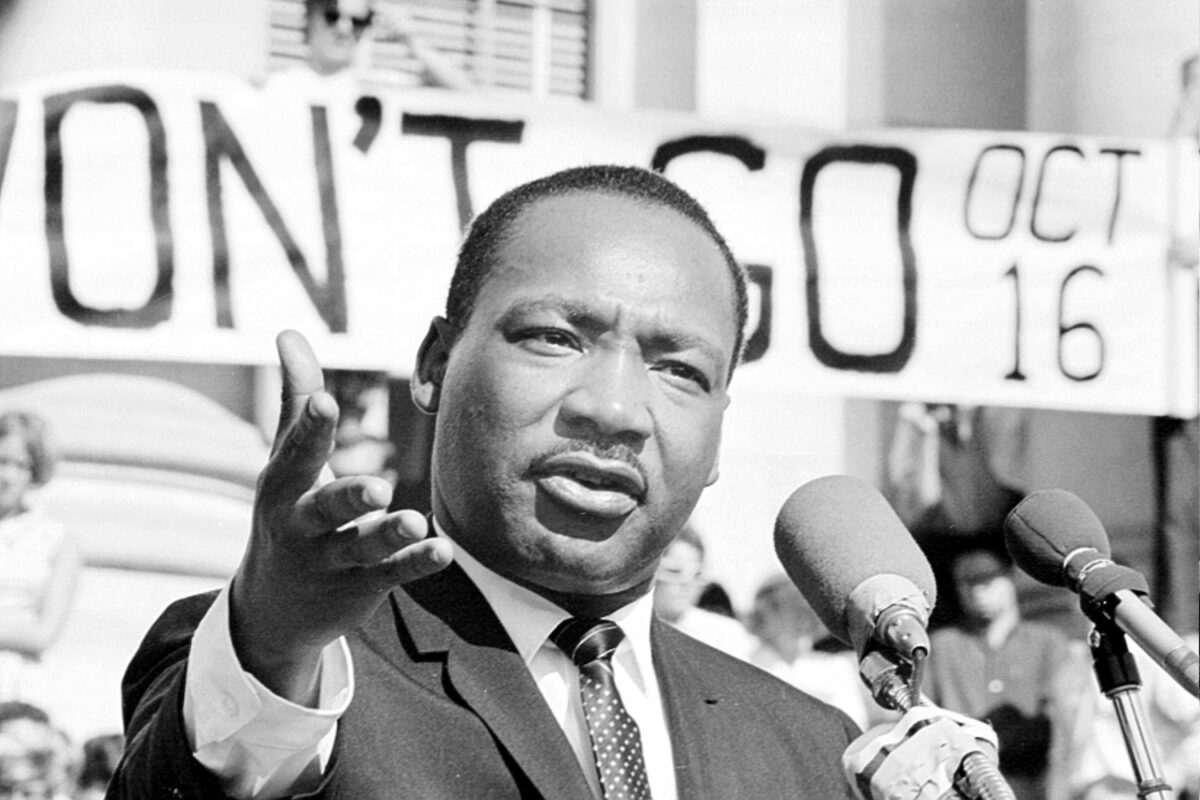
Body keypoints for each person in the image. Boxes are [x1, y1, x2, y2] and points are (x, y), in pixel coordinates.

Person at [109, 165, 867, 799]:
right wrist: (272, 653)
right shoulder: (294, 660)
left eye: (679, 370)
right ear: (436, 363)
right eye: (554, 338)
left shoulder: (810, 747)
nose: (612, 409)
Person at [924, 549, 1069, 800]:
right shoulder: (942, 645)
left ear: (1009, 581)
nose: (978, 592)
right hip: (962, 783)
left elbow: (1061, 717)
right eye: (968, 585)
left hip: (1034, 782)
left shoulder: (1048, 642)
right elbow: (922, 716)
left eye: (987, 582)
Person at [0, 411, 81, 702]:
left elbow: (43, 634)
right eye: (1, 461)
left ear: (34, 473)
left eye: (20, 465)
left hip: (15, 683)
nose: (6, 476)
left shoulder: (56, 540)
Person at [744, 575, 877, 730]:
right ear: (765, 615)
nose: (804, 622)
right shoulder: (742, 663)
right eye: (794, 611)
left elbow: (854, 727)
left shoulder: (836, 668)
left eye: (808, 612)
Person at [651, 527, 756, 660]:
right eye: (674, 571)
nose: (686, 583)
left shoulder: (726, 635)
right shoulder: (626, 630)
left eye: (697, 574)